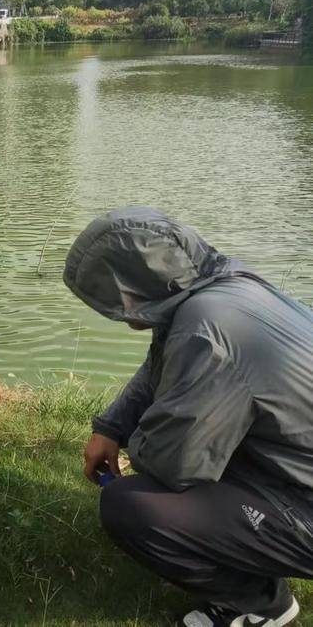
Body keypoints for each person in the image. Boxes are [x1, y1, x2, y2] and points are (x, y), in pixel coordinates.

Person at [63, 207, 313, 627]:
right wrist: (111, 427)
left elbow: (174, 463)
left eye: (116, 302)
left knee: (133, 506)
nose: (120, 315)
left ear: (137, 289)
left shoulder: (206, 329)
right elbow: (161, 362)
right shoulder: (225, 286)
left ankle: (260, 605)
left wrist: (137, 448)